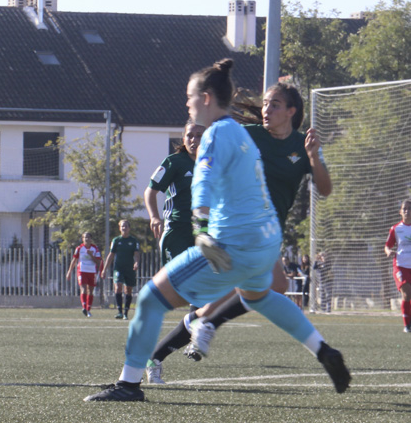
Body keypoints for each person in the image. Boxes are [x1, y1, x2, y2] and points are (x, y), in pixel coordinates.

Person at [86, 59, 350, 401]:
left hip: (234, 242)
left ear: (207, 98)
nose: (187, 104)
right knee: (262, 296)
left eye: (190, 96)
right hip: (266, 242)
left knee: (151, 299)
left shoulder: (216, 134)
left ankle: (130, 383)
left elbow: (204, 180)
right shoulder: (244, 135)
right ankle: (323, 349)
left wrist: (202, 229)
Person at [145, 81, 333, 382]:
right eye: (265, 103)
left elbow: (325, 189)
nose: (266, 109)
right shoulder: (250, 135)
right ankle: (204, 323)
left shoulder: (303, 146)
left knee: (259, 289)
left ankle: (179, 338)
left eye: (274, 104)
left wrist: (313, 157)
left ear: (291, 111)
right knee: (274, 283)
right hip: (234, 223)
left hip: (265, 233)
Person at [145, 121, 205, 262]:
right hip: (177, 229)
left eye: (199, 136)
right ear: (183, 139)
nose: (193, 140)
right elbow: (150, 191)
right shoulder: (174, 162)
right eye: (189, 136)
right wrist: (154, 217)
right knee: (174, 279)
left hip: (203, 230)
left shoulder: (212, 163)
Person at [101, 219, 140, 319]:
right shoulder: (116, 241)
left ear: (129, 228)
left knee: (128, 290)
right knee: (118, 287)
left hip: (130, 269)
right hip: (118, 268)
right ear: (120, 228)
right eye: (122, 226)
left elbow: (136, 254)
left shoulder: (133, 241)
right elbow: (111, 255)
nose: (124, 228)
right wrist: (104, 269)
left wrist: (136, 263)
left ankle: (126, 313)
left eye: (126, 226)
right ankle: (119, 311)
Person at [384, 199, 411, 333]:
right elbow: (387, 245)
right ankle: (407, 326)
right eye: (404, 209)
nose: (406, 211)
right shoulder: (396, 229)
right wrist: (389, 251)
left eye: (409, 208)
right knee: (406, 294)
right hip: (400, 265)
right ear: (400, 212)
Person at [65, 231, 102, 317]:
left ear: (91, 239)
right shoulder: (79, 248)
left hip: (92, 271)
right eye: (85, 237)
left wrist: (91, 255)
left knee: (91, 291)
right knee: (83, 289)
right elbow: (74, 260)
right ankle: (84, 307)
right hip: (82, 270)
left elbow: (98, 262)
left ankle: (88, 310)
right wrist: (69, 272)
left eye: (88, 237)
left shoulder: (95, 249)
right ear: (82, 239)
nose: (86, 239)